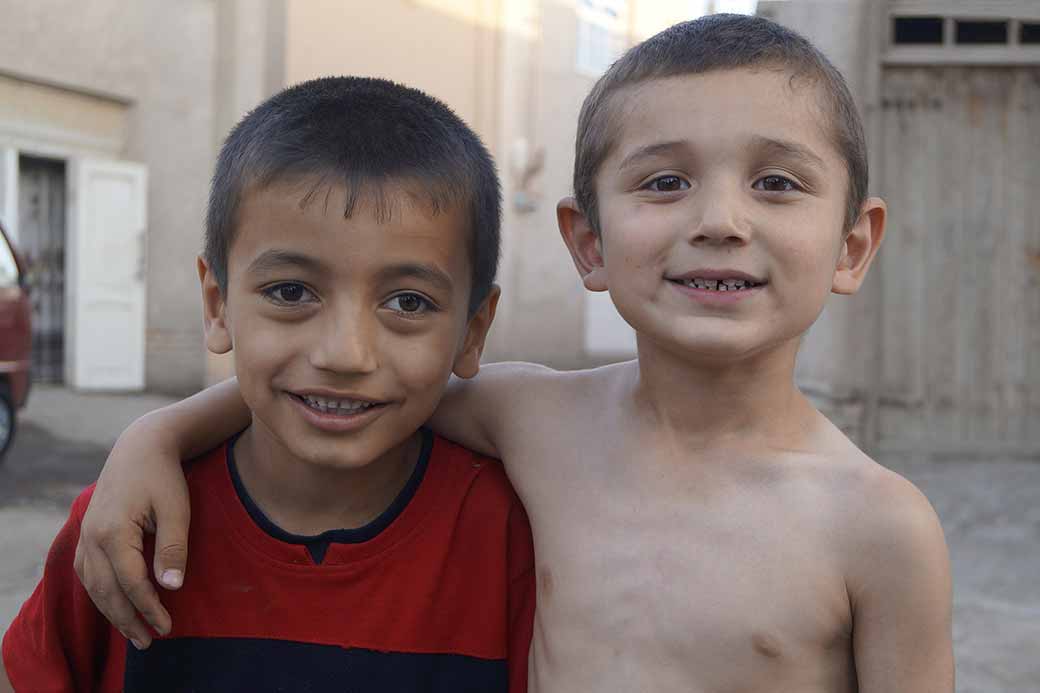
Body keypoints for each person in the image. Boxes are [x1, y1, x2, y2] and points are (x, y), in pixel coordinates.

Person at [65, 14, 954, 693]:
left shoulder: (880, 527)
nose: (720, 220)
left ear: (851, 244)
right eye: (665, 181)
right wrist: (154, 438)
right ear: (588, 241)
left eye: (777, 182)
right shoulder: (539, 418)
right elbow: (353, 379)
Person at [0, 76, 535, 693]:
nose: (345, 354)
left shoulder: (508, 539)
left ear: (473, 330)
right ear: (218, 304)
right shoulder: (125, 524)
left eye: (408, 302)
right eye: (290, 292)